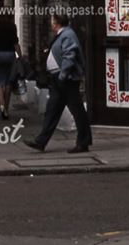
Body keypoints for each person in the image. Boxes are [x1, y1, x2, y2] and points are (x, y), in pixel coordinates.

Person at [25, 13, 92, 153]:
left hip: (66, 79)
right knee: (52, 110)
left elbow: (69, 56)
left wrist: (63, 75)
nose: (50, 23)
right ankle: (41, 141)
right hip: (58, 79)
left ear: (56, 22)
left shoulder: (68, 34)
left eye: (52, 20)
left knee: (77, 110)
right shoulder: (63, 34)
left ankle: (83, 142)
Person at [0, 12, 21, 120]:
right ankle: (6, 109)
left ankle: (1, 107)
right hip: (10, 55)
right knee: (8, 82)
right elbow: (16, 43)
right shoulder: (12, 26)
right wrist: (20, 57)